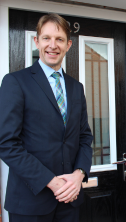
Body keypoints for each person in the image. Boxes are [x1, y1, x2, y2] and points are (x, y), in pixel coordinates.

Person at [0, 13, 93, 222]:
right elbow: (6, 144)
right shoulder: (15, 82)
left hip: (70, 200)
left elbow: (85, 137)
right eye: (46, 38)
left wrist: (79, 175)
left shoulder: (76, 88)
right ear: (36, 41)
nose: (53, 45)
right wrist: (51, 181)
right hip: (29, 203)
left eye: (59, 39)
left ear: (68, 45)